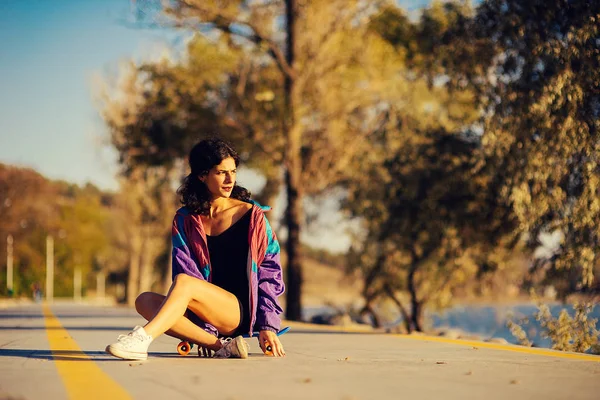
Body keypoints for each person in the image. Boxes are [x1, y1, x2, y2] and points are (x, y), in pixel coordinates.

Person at [106, 138, 286, 360]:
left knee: (183, 282)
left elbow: (270, 272)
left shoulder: (252, 217)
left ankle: (142, 339)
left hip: (236, 312)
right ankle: (220, 346)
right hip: (203, 312)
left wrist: (268, 324)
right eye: (221, 173)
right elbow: (186, 270)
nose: (230, 179)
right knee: (144, 300)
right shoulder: (185, 220)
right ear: (202, 175)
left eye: (233, 171)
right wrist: (204, 325)